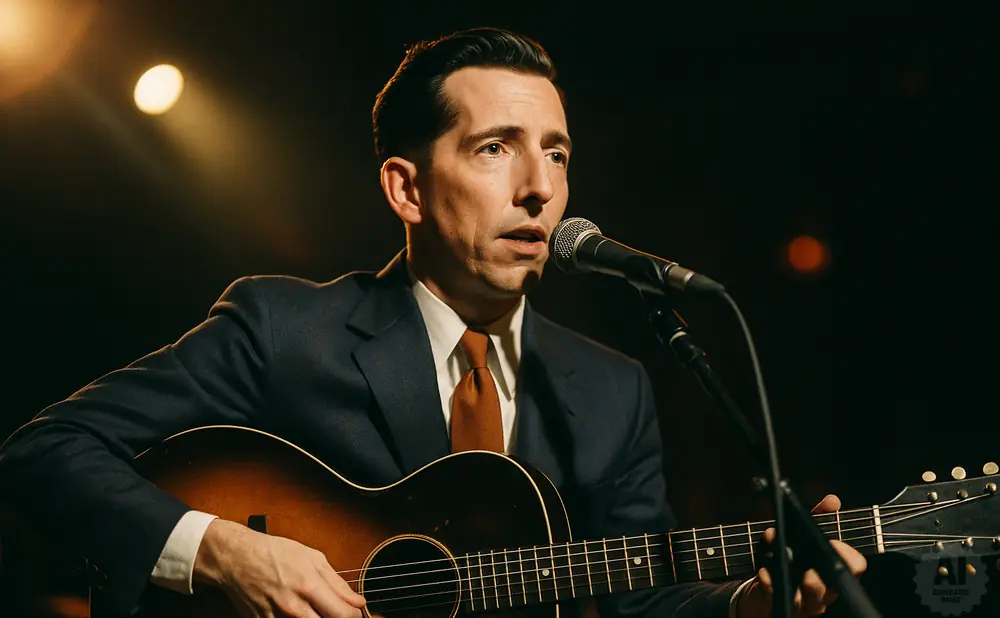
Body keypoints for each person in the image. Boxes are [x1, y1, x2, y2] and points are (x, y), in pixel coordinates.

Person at [0, 27, 865, 618]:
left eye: (556, 152)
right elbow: (43, 454)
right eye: (497, 147)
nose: (540, 186)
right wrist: (225, 553)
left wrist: (751, 605)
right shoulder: (284, 326)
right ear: (406, 188)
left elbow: (642, 594)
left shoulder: (611, 389)